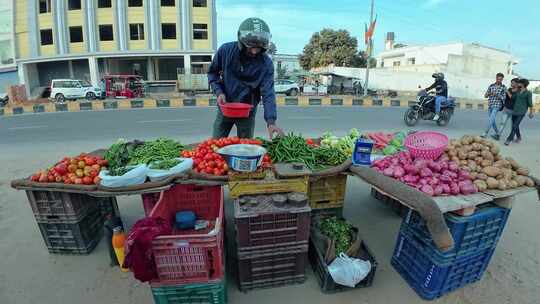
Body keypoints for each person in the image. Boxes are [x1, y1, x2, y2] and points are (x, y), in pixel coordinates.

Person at [208, 17, 283, 139]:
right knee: (216, 145)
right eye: (250, 47)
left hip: (247, 112)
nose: (254, 52)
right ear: (241, 41)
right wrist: (219, 91)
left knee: (245, 149)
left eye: (258, 48)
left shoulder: (266, 64)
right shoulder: (226, 51)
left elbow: (268, 93)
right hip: (225, 107)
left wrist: (271, 121)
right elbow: (212, 73)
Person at [505, 78, 534, 145]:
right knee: (515, 126)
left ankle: (509, 139)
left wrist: (531, 112)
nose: (518, 84)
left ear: (523, 84)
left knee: (514, 125)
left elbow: (530, 103)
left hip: (522, 112)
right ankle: (519, 137)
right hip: (515, 111)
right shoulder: (518, 92)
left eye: (519, 83)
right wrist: (507, 91)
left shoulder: (528, 93)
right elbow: (512, 97)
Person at [482, 73, 507, 140]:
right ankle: (497, 133)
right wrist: (490, 93)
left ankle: (485, 133)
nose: (499, 80)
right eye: (498, 79)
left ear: (502, 79)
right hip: (490, 104)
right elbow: (485, 95)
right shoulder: (491, 86)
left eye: (500, 79)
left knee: (491, 119)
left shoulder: (503, 87)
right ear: (496, 78)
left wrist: (496, 95)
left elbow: (504, 97)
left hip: (497, 105)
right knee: (492, 121)